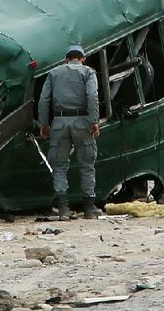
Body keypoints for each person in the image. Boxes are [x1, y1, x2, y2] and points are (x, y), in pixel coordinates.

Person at [38, 45, 101, 220]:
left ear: (66, 59)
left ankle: (63, 209)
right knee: (87, 165)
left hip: (59, 122)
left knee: (59, 166)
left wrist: (44, 123)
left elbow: (44, 99)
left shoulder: (54, 73)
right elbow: (92, 95)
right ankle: (89, 209)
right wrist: (94, 120)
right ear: (83, 58)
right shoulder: (88, 72)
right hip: (82, 122)